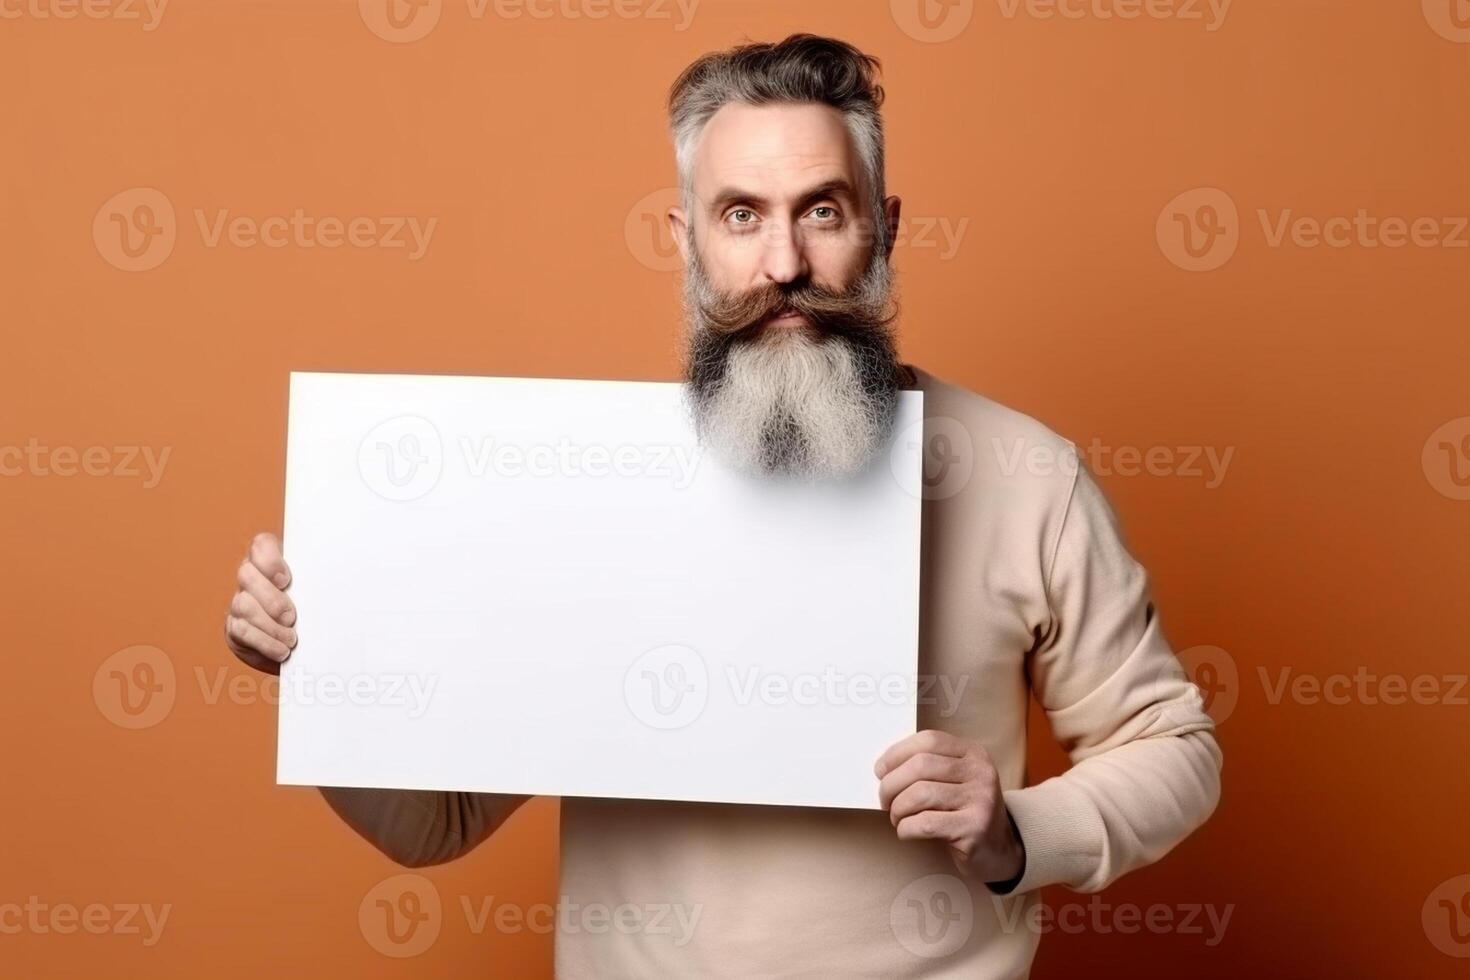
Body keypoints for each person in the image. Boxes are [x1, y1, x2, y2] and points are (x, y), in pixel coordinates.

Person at [225, 34, 1221, 977]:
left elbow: (1174, 748)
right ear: (688, 239)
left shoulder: (1022, 474)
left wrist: (1014, 829)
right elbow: (430, 824)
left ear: (886, 225)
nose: (783, 263)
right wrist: (323, 665)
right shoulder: (589, 489)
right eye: (741, 214)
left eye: (822, 210)